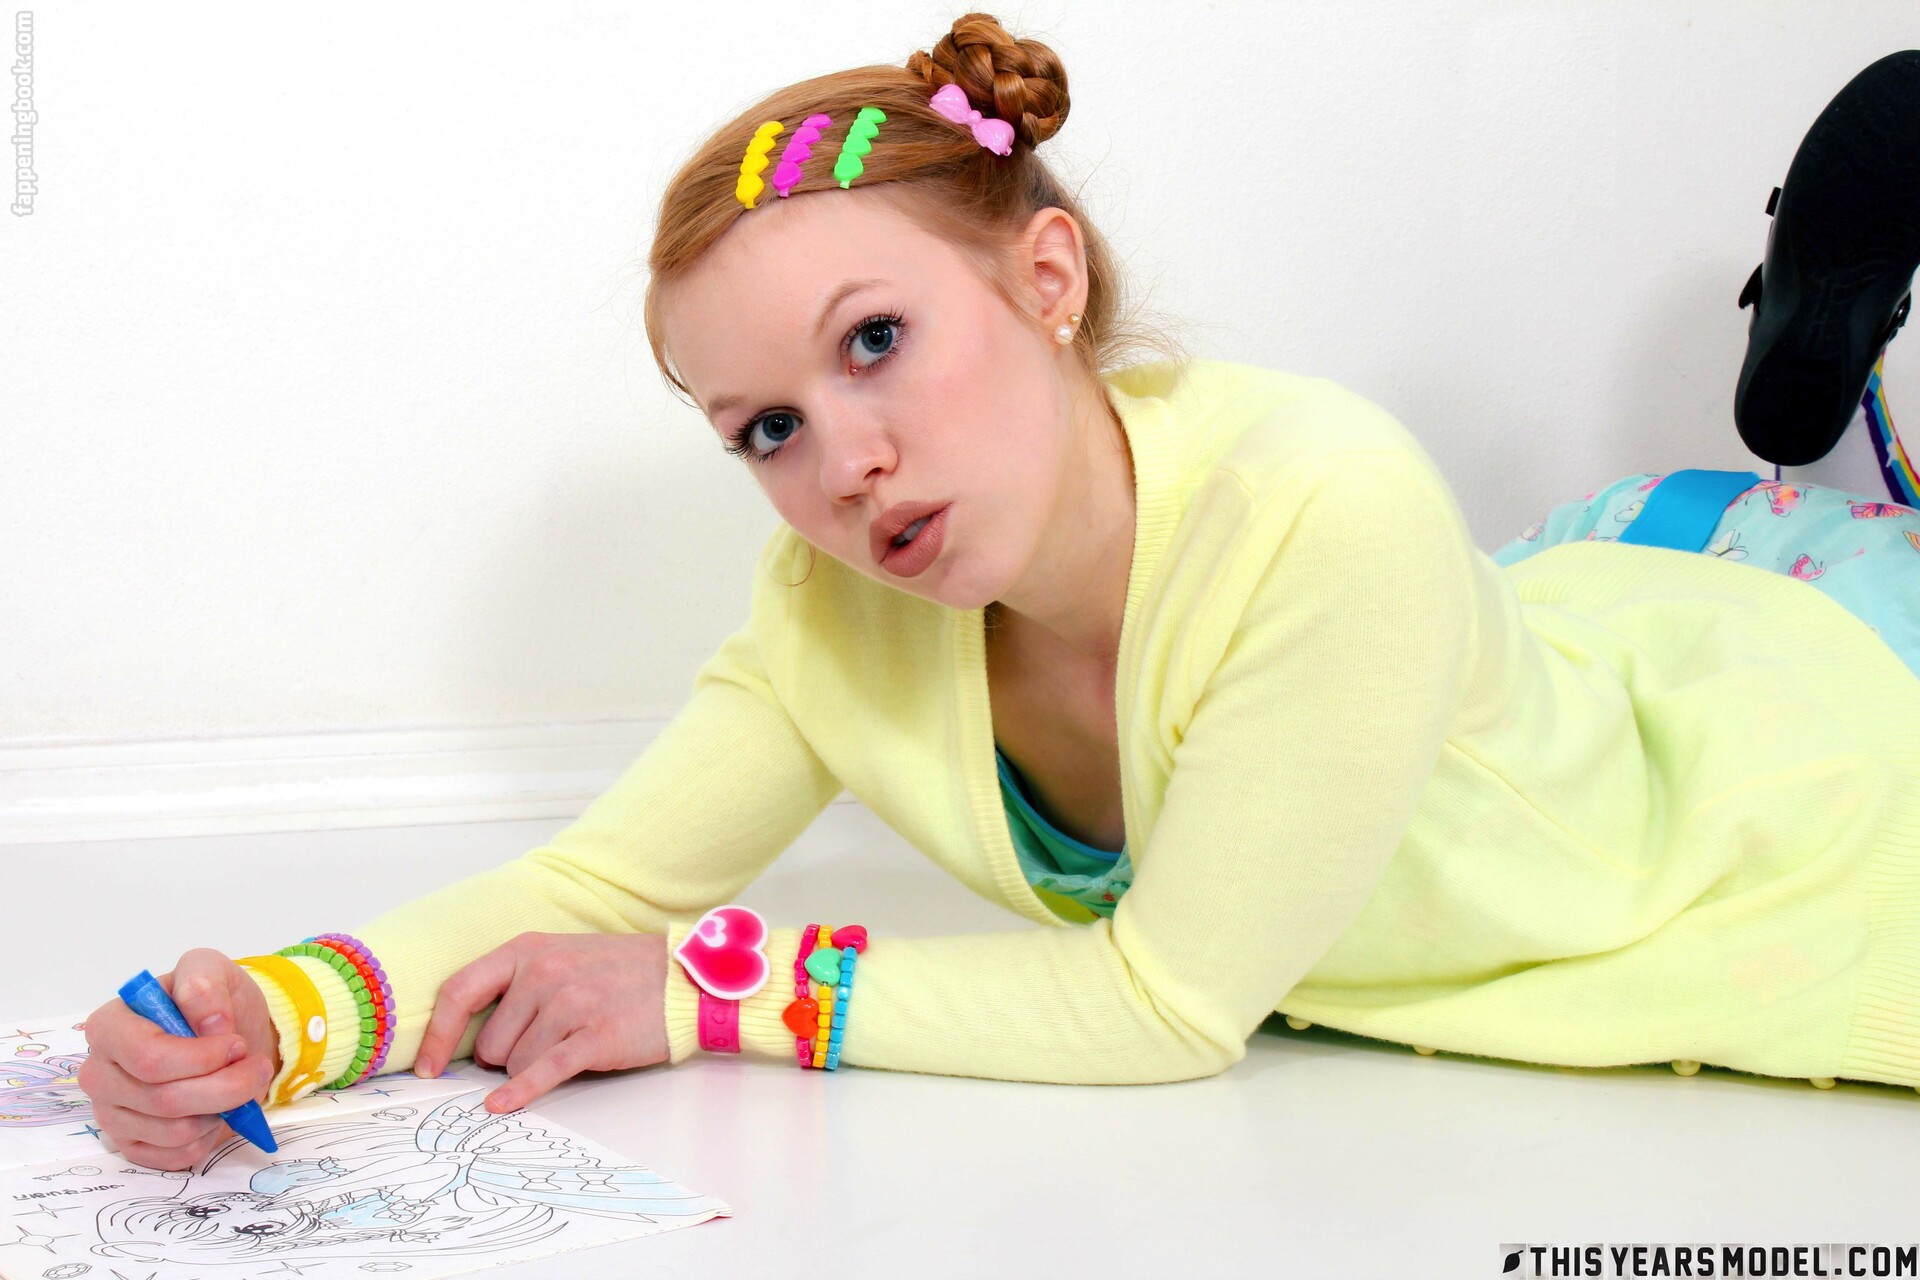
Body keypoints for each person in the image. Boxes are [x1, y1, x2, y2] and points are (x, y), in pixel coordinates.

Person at [78, 16, 1920, 1173]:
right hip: (1465, 662)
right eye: (766, 427)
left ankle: (1840, 327)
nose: (843, 462)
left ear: (1048, 279)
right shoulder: (831, 613)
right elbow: (598, 884)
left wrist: (712, 994)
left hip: (1758, 792)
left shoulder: (1322, 500)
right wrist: (286, 1012)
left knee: (1833, 559)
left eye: (876, 341)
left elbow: (1170, 1011)